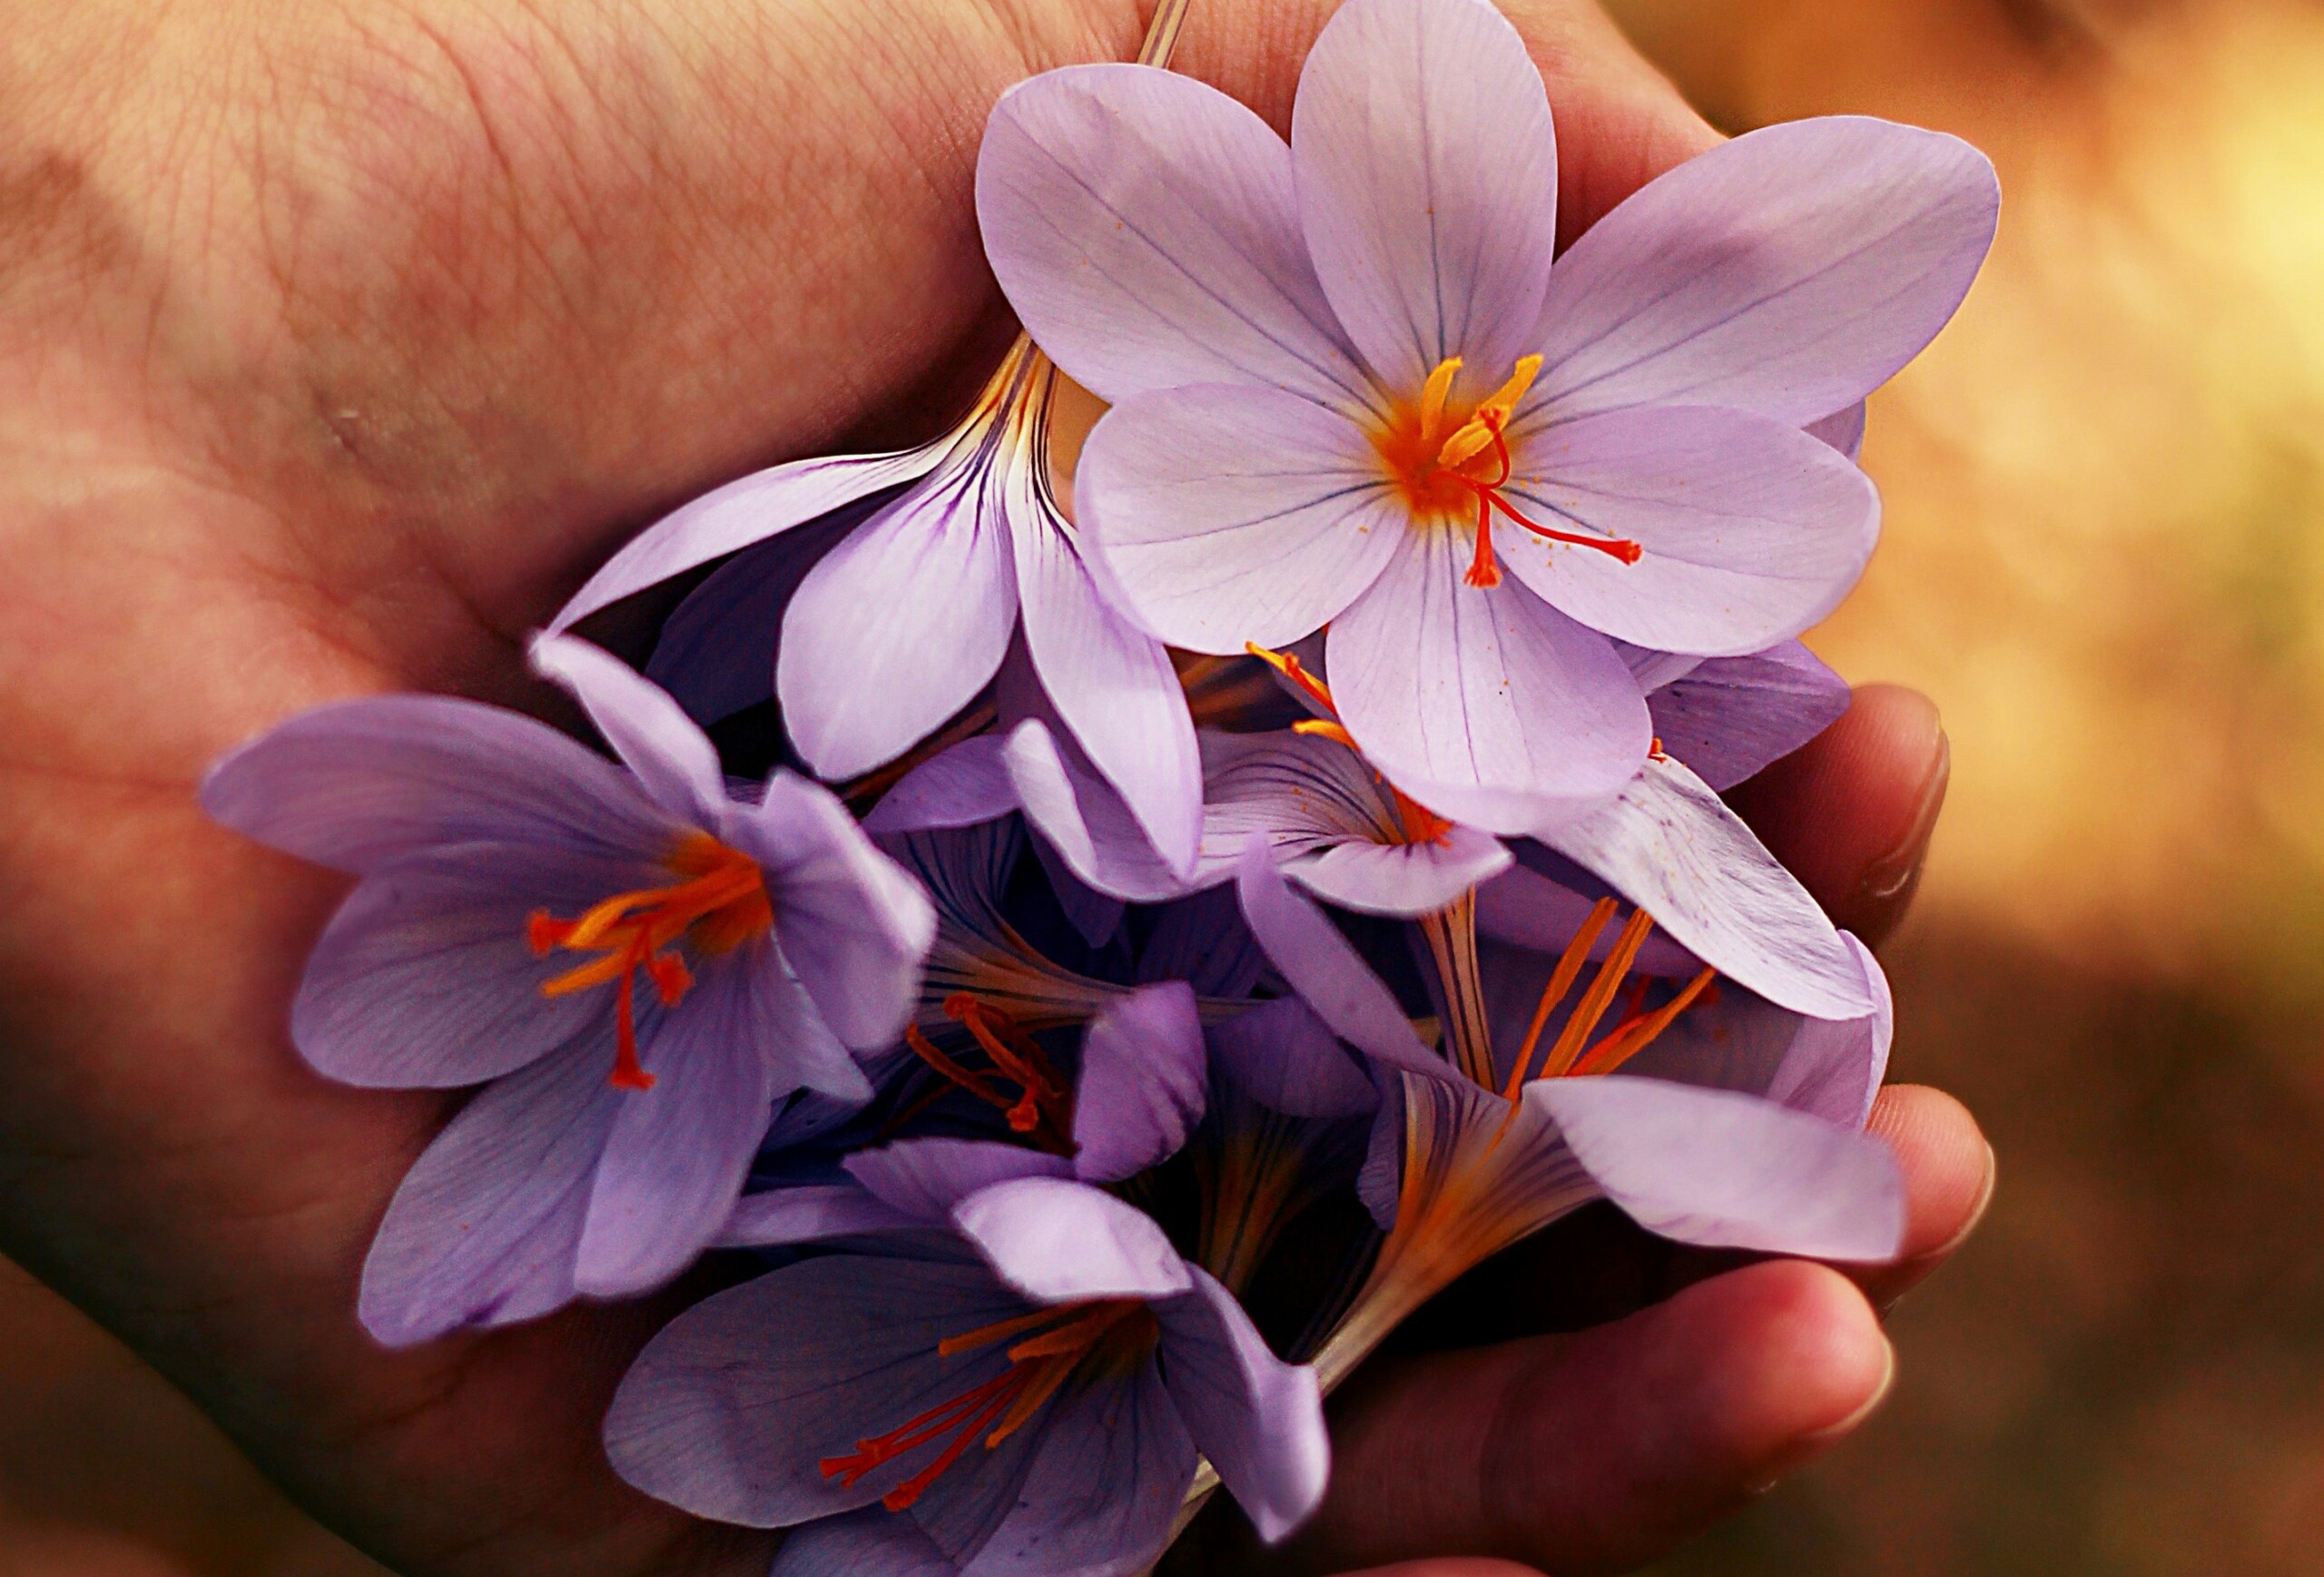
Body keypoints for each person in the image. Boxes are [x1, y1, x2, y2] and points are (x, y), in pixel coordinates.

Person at [0, 1, 1994, 1572]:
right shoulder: (1210, 570)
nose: (1476, 428)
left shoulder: (1431, 710)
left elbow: (1482, 739)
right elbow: (1146, 327)